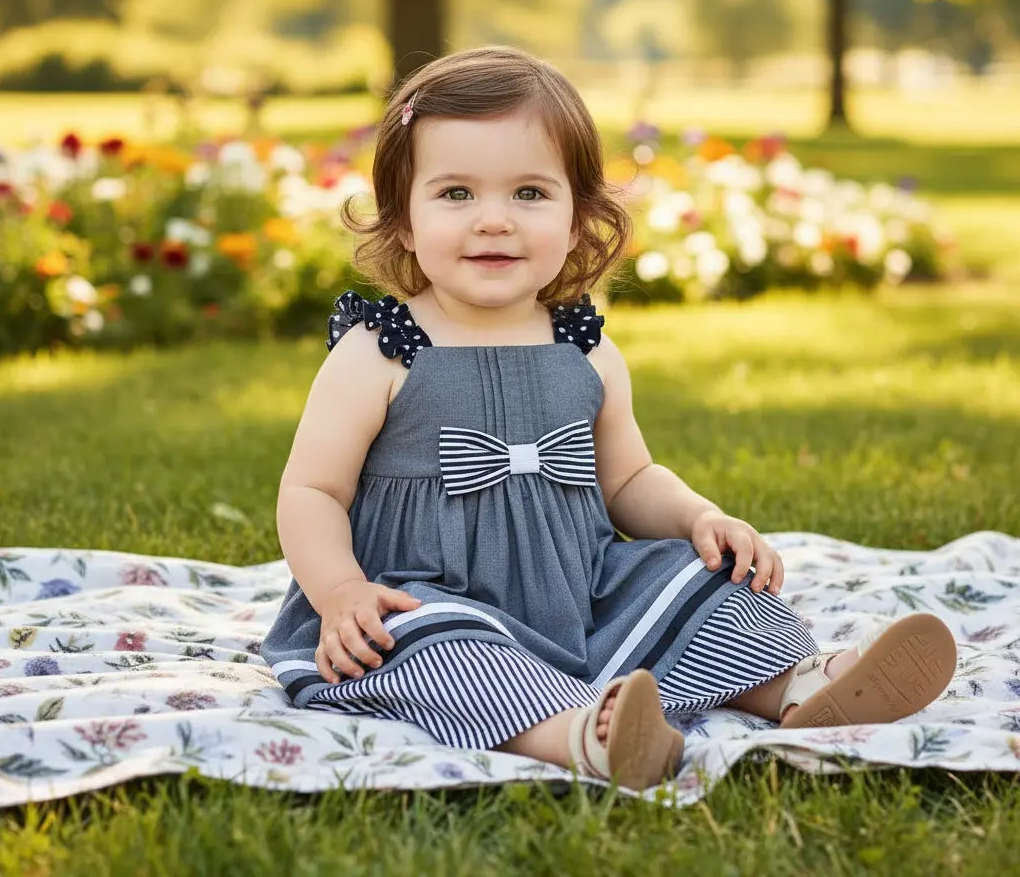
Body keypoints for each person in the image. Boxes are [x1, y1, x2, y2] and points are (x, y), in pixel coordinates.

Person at [261, 46, 957, 791]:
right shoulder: (382, 350)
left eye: (529, 193)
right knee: (435, 649)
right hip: (417, 590)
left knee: (700, 583)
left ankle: (800, 688)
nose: (493, 221)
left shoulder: (583, 349)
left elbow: (628, 477)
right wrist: (341, 593)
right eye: (456, 194)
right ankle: (581, 737)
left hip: (579, 593)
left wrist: (698, 517)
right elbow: (312, 492)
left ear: (577, 219)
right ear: (401, 220)